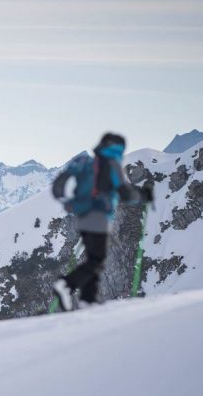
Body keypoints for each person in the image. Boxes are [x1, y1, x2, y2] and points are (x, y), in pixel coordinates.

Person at [50, 133, 153, 310]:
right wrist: (143, 195)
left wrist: (68, 203)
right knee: (97, 259)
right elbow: (125, 193)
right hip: (99, 216)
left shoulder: (88, 163)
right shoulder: (112, 164)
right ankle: (67, 284)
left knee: (94, 258)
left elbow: (61, 184)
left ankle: (87, 300)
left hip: (82, 215)